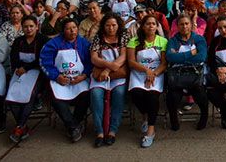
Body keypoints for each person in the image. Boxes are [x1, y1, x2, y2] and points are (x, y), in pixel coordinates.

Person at [40, 18, 91, 143]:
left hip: (79, 79)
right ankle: (73, 126)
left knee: (86, 95)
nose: (72, 31)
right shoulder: (53, 44)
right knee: (55, 98)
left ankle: (74, 124)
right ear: (63, 30)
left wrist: (83, 76)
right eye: (68, 28)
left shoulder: (84, 43)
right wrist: (56, 76)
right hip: (60, 79)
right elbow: (45, 62)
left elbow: (90, 62)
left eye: (74, 27)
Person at [127, 14, 168, 148]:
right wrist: (146, 71)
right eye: (147, 24)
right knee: (136, 94)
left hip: (157, 74)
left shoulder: (163, 41)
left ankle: (150, 130)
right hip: (139, 73)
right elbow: (131, 62)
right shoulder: (134, 41)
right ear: (142, 27)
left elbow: (163, 63)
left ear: (157, 27)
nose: (151, 26)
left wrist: (153, 73)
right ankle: (145, 115)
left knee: (152, 97)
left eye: (153, 24)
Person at [6, 15, 47, 143]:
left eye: (31, 26)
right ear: (22, 28)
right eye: (25, 27)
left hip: (38, 72)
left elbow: (42, 60)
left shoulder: (43, 40)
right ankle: (23, 126)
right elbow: (14, 58)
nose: (28, 29)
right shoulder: (18, 41)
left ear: (36, 27)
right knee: (11, 96)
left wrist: (27, 67)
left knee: (29, 95)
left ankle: (19, 127)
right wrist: (20, 68)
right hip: (20, 72)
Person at [89, 14, 129, 147]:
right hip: (100, 73)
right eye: (107, 25)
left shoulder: (123, 37)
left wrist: (108, 70)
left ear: (118, 25)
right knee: (95, 95)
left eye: (113, 25)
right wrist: (108, 66)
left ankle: (112, 130)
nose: (111, 28)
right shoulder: (98, 38)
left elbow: (122, 58)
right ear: (103, 26)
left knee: (119, 93)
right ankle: (99, 131)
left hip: (117, 74)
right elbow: (94, 58)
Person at [165, 14, 209, 131]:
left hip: (195, 75)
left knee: (201, 95)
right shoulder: (173, 40)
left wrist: (179, 56)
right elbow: (170, 57)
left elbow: (202, 57)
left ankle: (204, 117)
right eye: (181, 24)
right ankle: (174, 120)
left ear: (191, 25)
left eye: (186, 24)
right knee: (172, 97)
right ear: (177, 26)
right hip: (178, 76)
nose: (184, 26)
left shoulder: (199, 39)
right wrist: (191, 53)